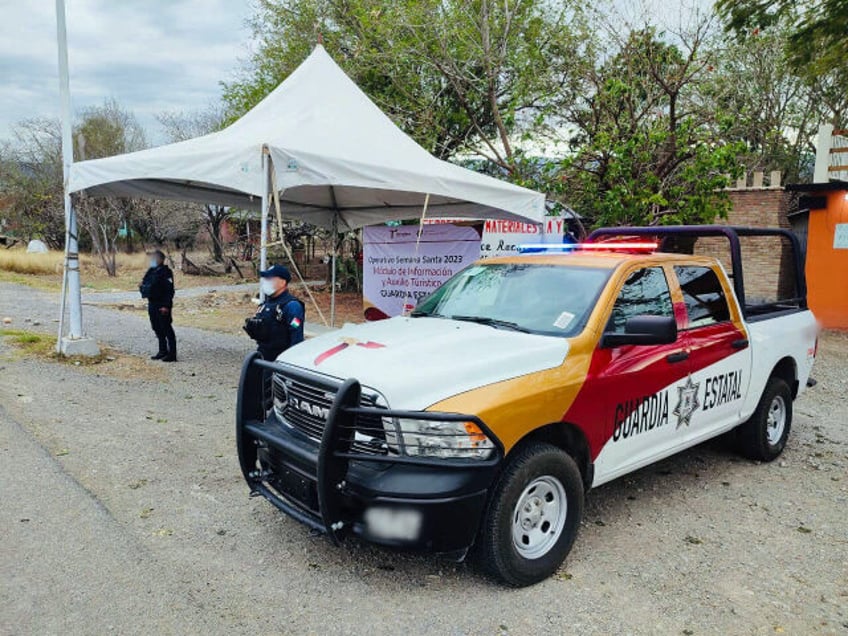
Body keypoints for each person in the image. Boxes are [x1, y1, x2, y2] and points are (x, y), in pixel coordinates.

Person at [243, 264, 305, 361]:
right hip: (262, 358)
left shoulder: (292, 306)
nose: (265, 282)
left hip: (279, 362)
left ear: (283, 282)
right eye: (265, 278)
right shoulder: (266, 304)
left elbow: (296, 338)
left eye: (270, 278)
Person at [139, 249, 177, 362]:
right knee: (156, 327)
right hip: (152, 302)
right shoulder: (151, 271)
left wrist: (166, 305)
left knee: (166, 328)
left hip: (162, 304)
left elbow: (169, 290)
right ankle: (162, 351)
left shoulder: (166, 272)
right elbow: (144, 283)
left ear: (160, 259)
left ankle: (172, 354)